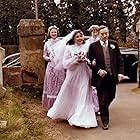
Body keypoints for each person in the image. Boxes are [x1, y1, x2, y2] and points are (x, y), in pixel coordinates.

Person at [47, 30, 99, 128]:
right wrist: (75, 60)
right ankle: (68, 112)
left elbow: (91, 59)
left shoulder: (87, 47)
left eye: (81, 36)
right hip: (72, 75)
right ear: (73, 39)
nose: (80, 38)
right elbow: (65, 64)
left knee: (84, 94)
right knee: (71, 94)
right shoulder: (69, 48)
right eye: (77, 37)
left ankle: (81, 117)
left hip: (84, 74)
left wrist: (86, 60)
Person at [87, 25, 124, 130]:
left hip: (112, 76)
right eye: (102, 34)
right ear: (98, 34)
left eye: (106, 33)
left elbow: (120, 59)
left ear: (108, 33)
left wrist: (120, 73)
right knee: (103, 99)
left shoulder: (114, 44)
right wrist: (98, 70)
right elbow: (89, 62)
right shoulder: (93, 46)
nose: (104, 35)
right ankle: (105, 121)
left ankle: (102, 108)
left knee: (112, 96)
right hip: (100, 79)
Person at [42, 25, 65, 110]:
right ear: (49, 33)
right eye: (52, 32)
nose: (53, 33)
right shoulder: (47, 43)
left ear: (57, 33)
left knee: (59, 85)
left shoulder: (61, 42)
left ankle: (59, 107)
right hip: (51, 66)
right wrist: (49, 58)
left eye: (55, 32)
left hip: (59, 67)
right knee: (51, 85)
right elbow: (44, 55)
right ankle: (51, 106)